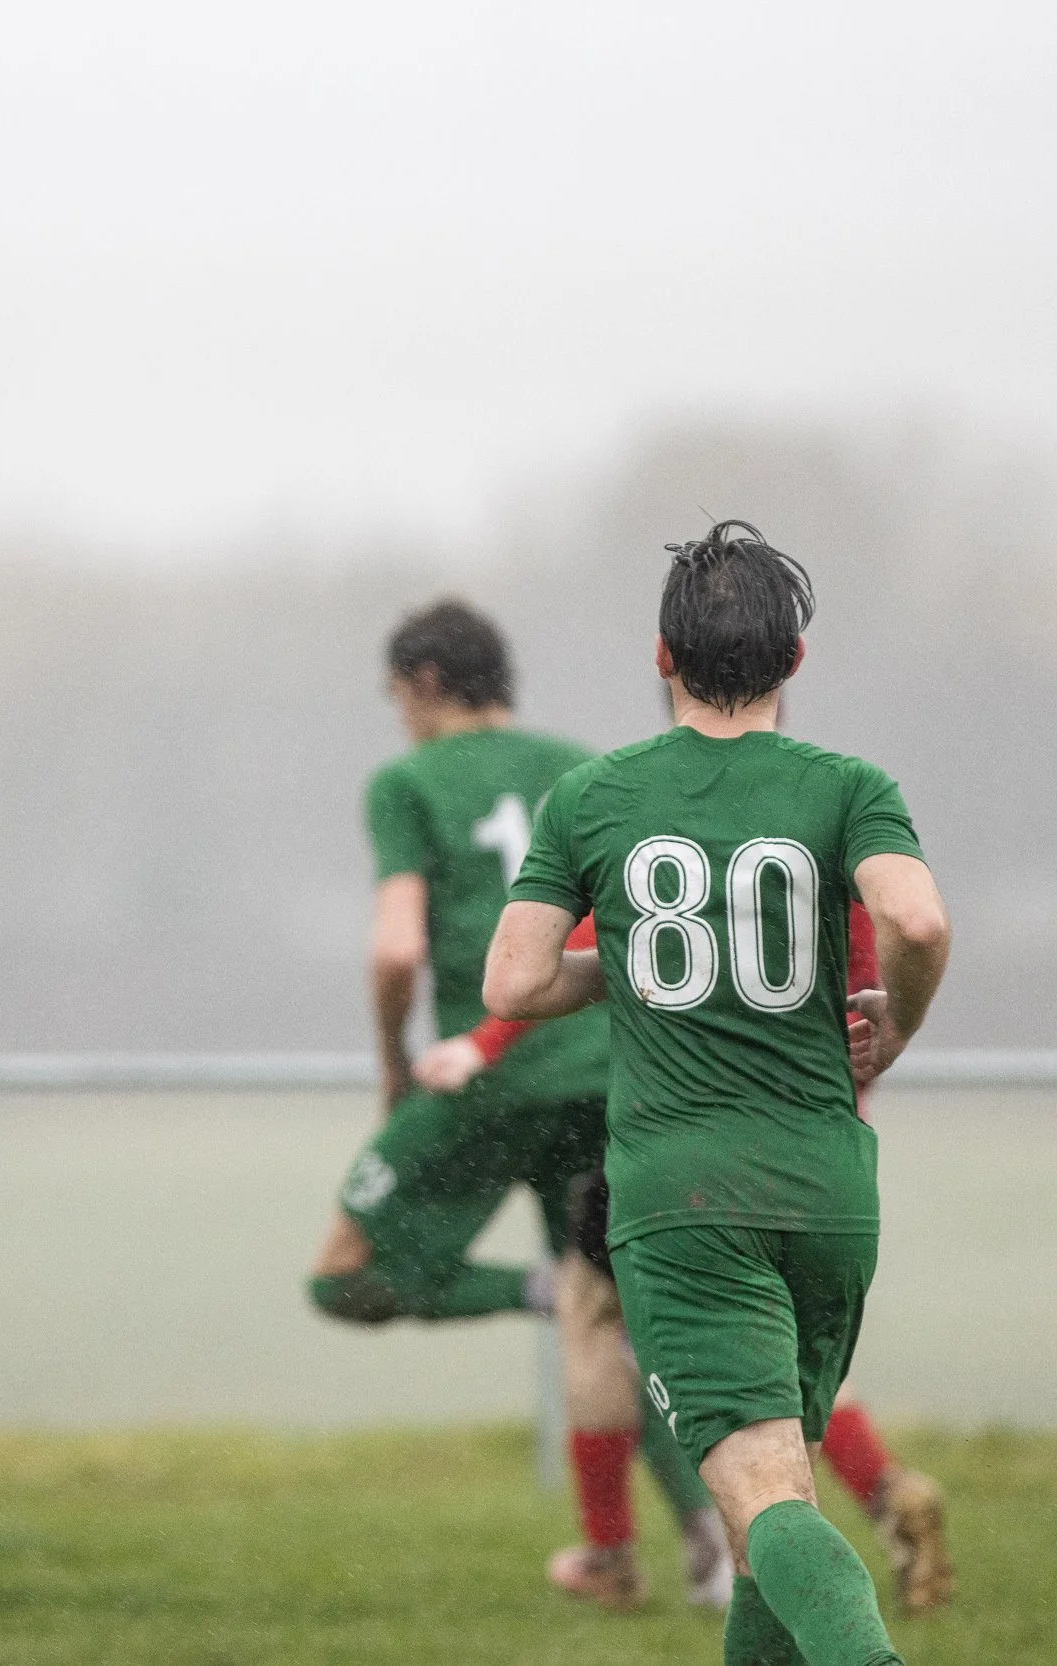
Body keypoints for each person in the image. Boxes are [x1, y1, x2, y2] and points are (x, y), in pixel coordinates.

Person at [485, 521, 950, 1666]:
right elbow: (918, 919)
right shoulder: (849, 788)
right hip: (830, 1187)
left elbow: (515, 977)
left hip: (685, 1197)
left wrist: (632, 963)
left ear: (661, 657)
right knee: (771, 1506)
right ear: (794, 661)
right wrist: (896, 1019)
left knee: (762, 1496)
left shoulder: (594, 797)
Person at [306, 598, 729, 1610]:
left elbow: (398, 944)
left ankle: (528, 1291)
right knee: (615, 1320)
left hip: (492, 1074)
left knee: (343, 1273)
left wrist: (391, 1060)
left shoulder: (405, 782)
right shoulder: (583, 766)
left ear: (420, 683)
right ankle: (700, 1542)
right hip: (611, 1070)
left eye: (393, 696)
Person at [427, 898, 954, 1613]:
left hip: (685, 1142)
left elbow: (560, 954)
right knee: (789, 1353)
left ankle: (617, 1554)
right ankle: (886, 1494)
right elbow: (882, 971)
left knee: (593, 1312)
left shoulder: (677, 833)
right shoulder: (829, 837)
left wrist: (480, 1044)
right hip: (816, 1154)